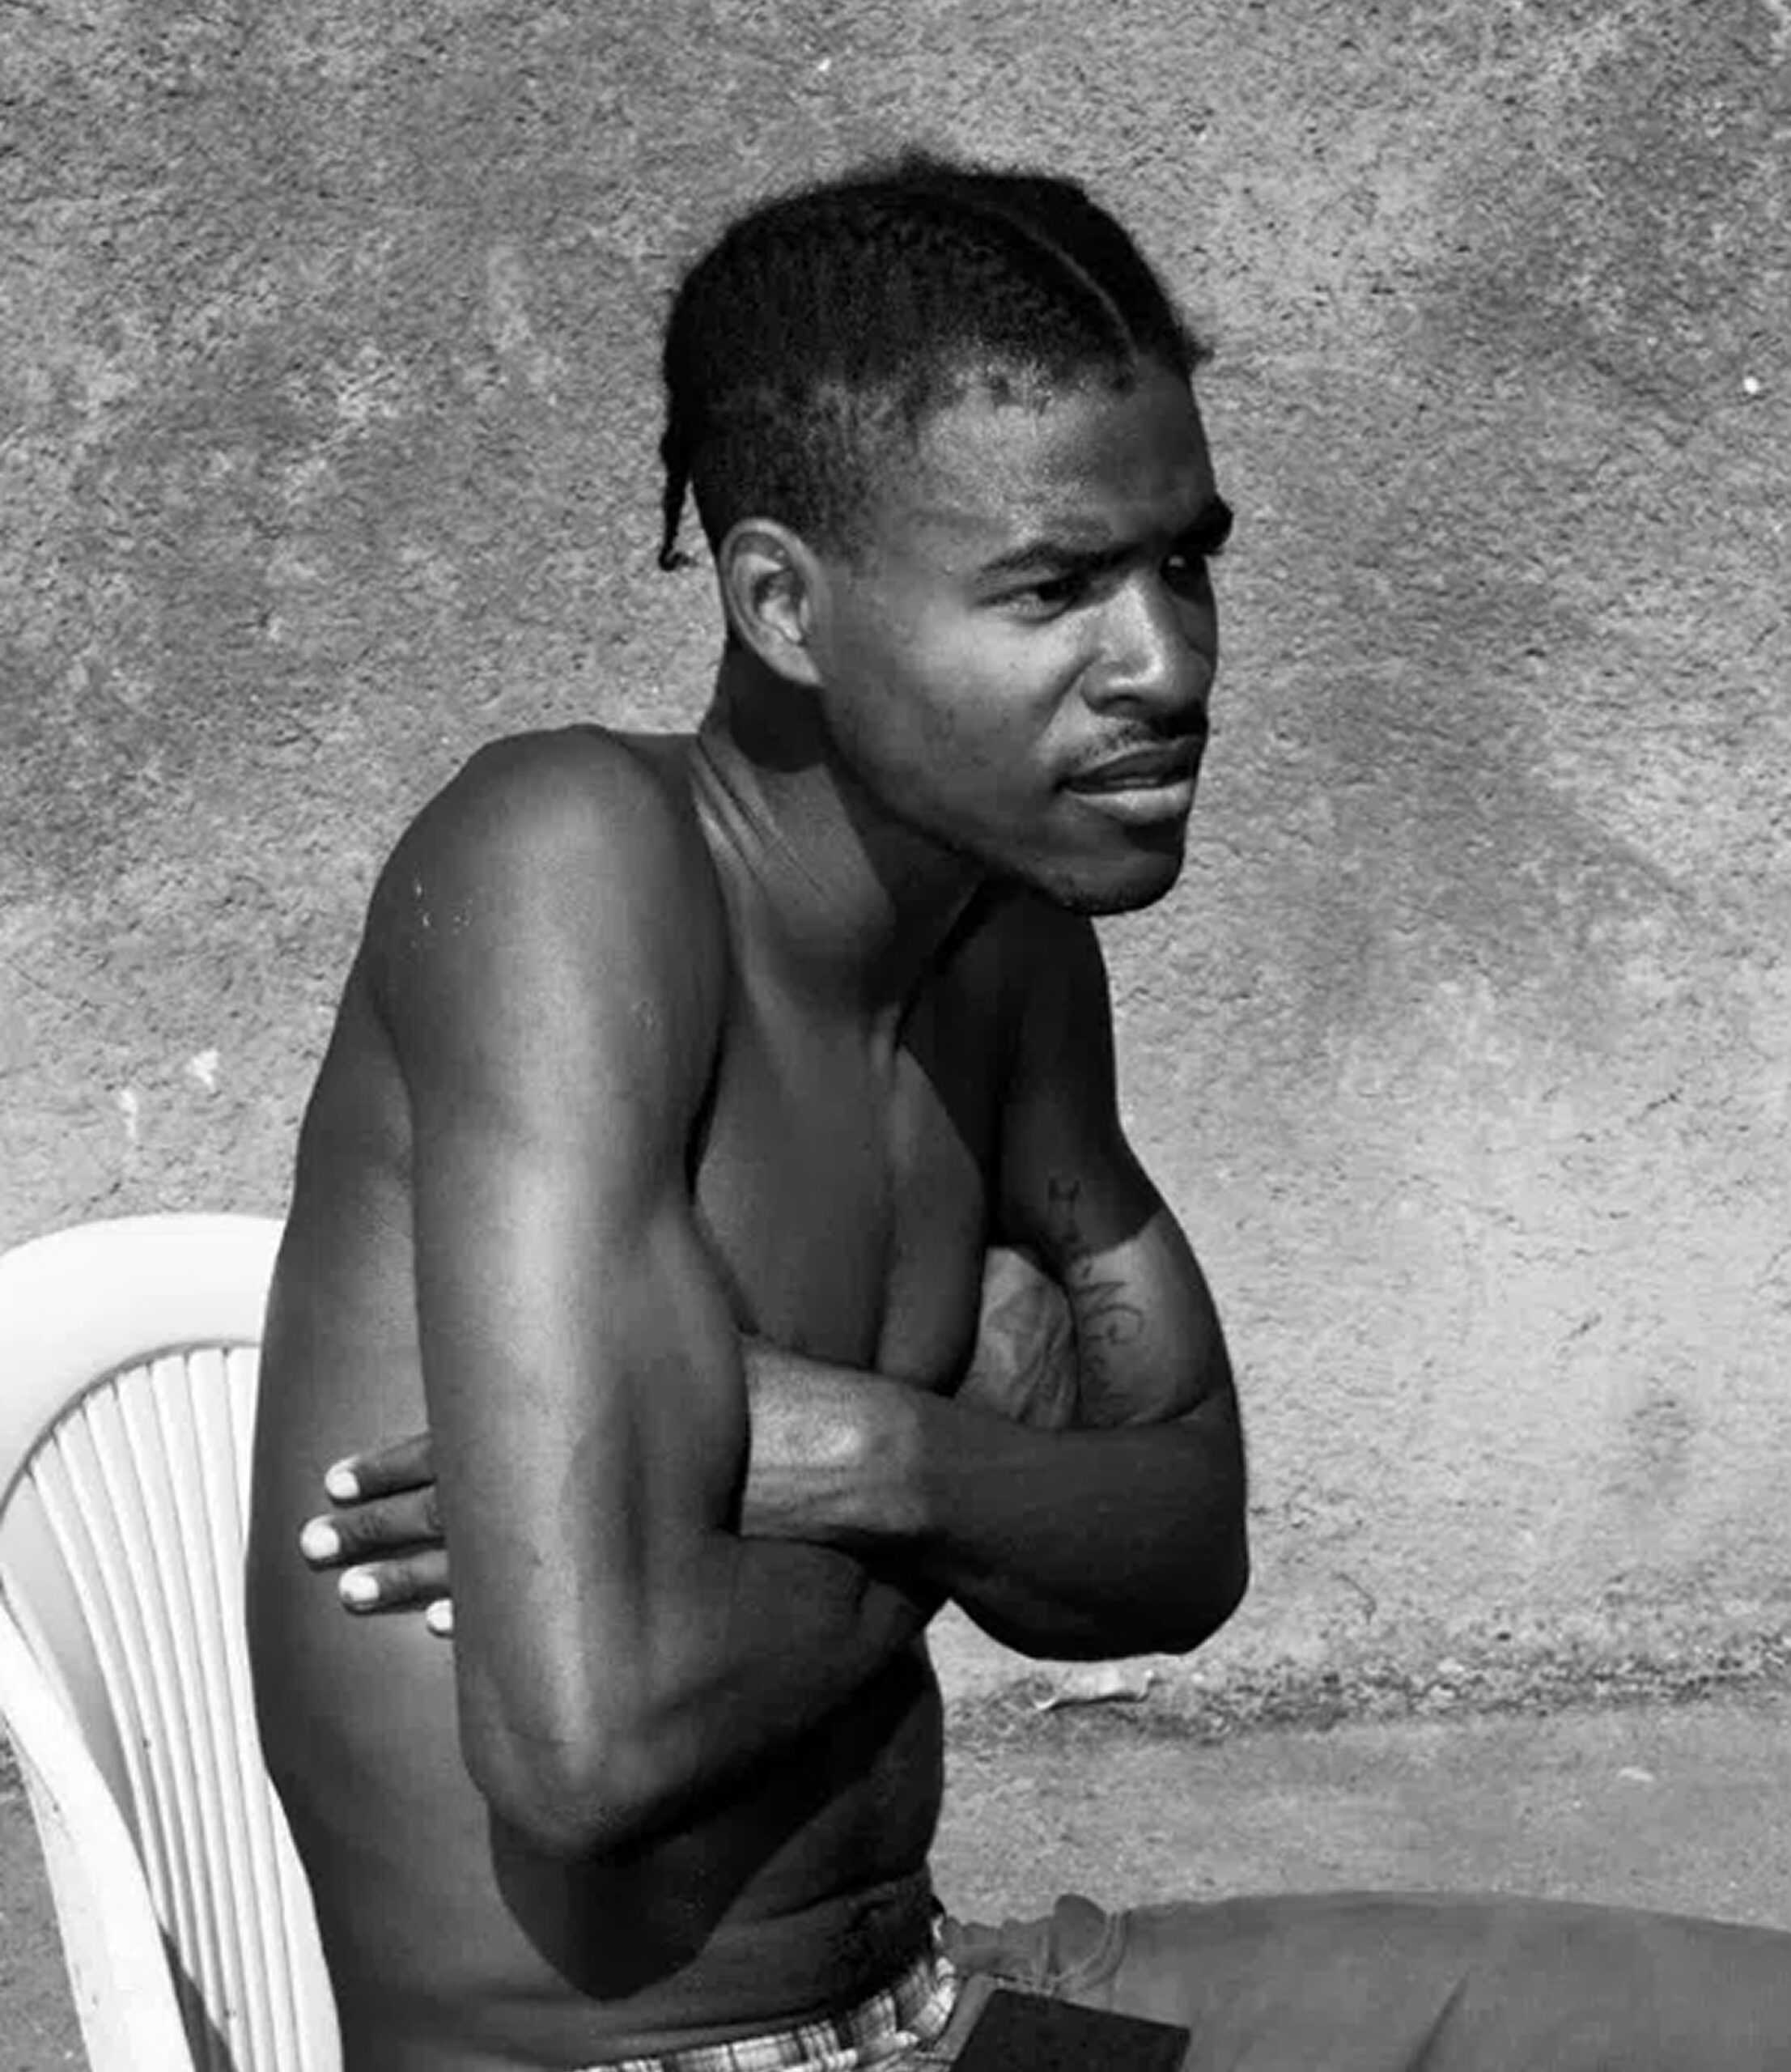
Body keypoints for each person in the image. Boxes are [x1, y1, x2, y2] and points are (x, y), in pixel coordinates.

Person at [248, 152, 1791, 2072]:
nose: (1167, 662)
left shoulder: (1013, 958)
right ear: (784, 603)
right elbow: (594, 1738)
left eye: (1186, 560)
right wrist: (1000, 1453)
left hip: (936, 2005)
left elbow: (1182, 1547)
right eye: (1056, 585)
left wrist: (886, 1452)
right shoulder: (566, 865)